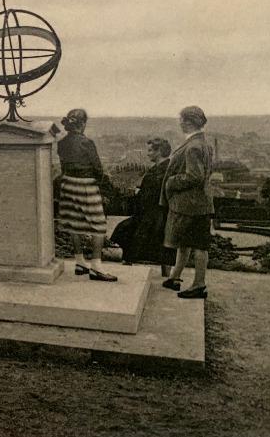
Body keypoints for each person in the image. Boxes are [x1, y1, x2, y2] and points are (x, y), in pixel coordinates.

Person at [55, 108, 117, 281]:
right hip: (86, 185)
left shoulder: (61, 143)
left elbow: (62, 167)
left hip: (67, 184)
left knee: (74, 223)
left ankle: (80, 262)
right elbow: (98, 169)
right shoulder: (87, 143)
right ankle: (96, 267)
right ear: (82, 124)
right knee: (99, 225)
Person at [160, 106, 215, 299]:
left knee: (198, 244)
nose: (180, 122)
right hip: (201, 203)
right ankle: (175, 276)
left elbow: (194, 176)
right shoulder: (204, 144)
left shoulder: (192, 146)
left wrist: (172, 181)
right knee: (187, 242)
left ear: (190, 122)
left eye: (182, 119)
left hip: (190, 205)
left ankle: (199, 284)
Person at [110, 137, 176, 276]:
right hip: (151, 212)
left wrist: (139, 192)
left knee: (129, 231)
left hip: (156, 213)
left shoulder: (165, 170)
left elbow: (155, 192)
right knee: (128, 231)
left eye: (151, 150)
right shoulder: (161, 168)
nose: (148, 153)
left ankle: (129, 266)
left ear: (159, 152)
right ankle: (131, 265)